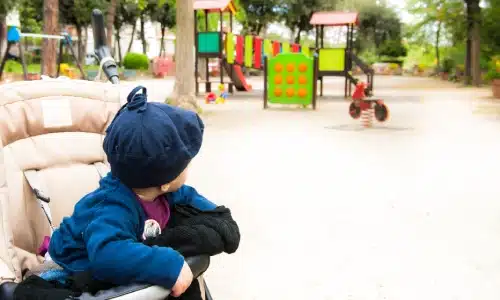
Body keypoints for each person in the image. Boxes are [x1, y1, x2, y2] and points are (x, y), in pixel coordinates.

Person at [48, 86, 216, 297]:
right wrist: (169, 265)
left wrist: (216, 215)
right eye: (186, 165)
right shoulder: (115, 208)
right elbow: (107, 255)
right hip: (79, 265)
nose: (188, 168)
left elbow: (188, 197)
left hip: (116, 246)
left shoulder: (158, 190)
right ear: (165, 182)